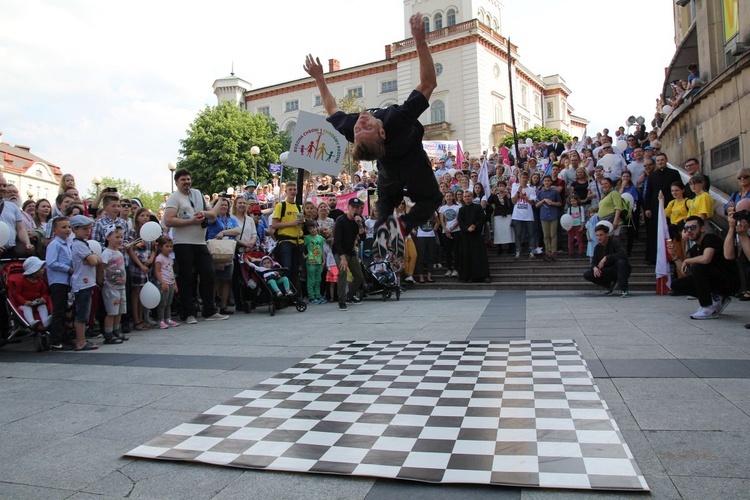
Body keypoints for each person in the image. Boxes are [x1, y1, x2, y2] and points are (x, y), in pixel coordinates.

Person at [305, 13, 442, 258]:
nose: (361, 121)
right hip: (414, 165)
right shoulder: (396, 120)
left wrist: (319, 79)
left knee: (385, 204)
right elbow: (429, 83)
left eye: (358, 129)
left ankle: (382, 234)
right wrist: (420, 41)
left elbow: (331, 108)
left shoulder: (350, 127)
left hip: (389, 171)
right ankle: (401, 227)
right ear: (382, 131)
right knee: (432, 199)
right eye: (364, 127)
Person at [163, 168, 228, 324]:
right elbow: (168, 220)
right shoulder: (174, 198)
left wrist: (203, 214)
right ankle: (188, 313)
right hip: (183, 243)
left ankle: (209, 310)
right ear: (177, 182)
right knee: (187, 278)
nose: (187, 182)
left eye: (188, 179)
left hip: (200, 242)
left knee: (208, 274)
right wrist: (190, 221)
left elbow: (212, 215)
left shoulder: (198, 194)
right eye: (183, 180)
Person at [670, 216, 738, 319]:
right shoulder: (694, 249)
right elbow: (687, 273)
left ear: (702, 229)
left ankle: (707, 307)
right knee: (676, 284)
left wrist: (687, 260)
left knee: (699, 266)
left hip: (729, 281)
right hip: (713, 281)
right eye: (686, 228)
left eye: (693, 228)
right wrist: (675, 257)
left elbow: (706, 258)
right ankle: (717, 297)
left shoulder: (710, 238)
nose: (689, 231)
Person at [70, 215, 100, 351]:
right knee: (82, 314)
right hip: (82, 283)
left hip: (87, 282)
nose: (88, 231)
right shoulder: (78, 245)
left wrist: (92, 259)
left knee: (85, 313)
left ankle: (81, 339)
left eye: (89, 228)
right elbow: (94, 260)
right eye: (84, 229)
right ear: (75, 229)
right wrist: (92, 259)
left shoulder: (83, 244)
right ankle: (80, 341)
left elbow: (95, 259)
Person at [332, 197, 366, 311]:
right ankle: (341, 300)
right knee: (342, 272)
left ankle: (350, 296)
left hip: (350, 251)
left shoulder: (359, 220)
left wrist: (360, 224)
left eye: (357, 207)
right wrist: (342, 258)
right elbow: (336, 241)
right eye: (353, 207)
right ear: (348, 207)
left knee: (359, 276)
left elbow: (363, 237)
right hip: (339, 251)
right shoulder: (341, 220)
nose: (355, 209)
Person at [583, 222, 631, 297]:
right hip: (607, 270)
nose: (599, 238)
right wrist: (594, 268)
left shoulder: (614, 242)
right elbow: (594, 262)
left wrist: (607, 257)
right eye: (597, 235)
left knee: (621, 262)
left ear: (607, 234)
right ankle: (609, 285)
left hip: (618, 269)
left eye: (601, 235)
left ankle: (624, 289)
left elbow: (623, 253)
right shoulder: (597, 247)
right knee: (587, 274)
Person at [98, 225, 128, 344]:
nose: (120, 239)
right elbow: (101, 267)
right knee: (112, 312)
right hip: (111, 287)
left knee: (120, 311)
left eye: (121, 237)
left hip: (121, 286)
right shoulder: (107, 253)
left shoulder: (118, 252)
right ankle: (108, 333)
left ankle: (116, 330)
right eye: (117, 237)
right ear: (108, 237)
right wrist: (100, 281)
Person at [270, 183, 304, 290]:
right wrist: (291, 223)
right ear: (286, 191)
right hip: (285, 241)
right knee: (286, 267)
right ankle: (284, 291)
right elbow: (274, 224)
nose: (293, 191)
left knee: (295, 269)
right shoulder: (281, 206)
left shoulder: (299, 207)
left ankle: (292, 293)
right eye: (290, 189)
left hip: (297, 241)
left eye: (295, 189)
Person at [127, 208, 156, 331]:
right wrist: (140, 265)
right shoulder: (133, 231)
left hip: (147, 265)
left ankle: (142, 318)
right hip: (137, 266)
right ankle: (136, 320)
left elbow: (154, 248)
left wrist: (151, 259)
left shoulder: (150, 231)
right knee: (136, 293)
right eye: (142, 215)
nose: (145, 218)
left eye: (147, 216)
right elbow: (130, 250)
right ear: (137, 217)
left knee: (143, 293)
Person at [10, 256, 52, 330]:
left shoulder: (41, 282)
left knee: (43, 306)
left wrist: (43, 299)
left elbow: (44, 293)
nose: (43, 270)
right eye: (40, 269)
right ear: (34, 271)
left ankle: (45, 321)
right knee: (27, 309)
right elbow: (17, 294)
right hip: (24, 304)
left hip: (37, 302)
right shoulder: (22, 282)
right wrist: (24, 301)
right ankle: (32, 322)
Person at [457, 190, 490, 283]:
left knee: (479, 256)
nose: (467, 198)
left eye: (468, 196)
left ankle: (483, 276)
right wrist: (467, 228)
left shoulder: (478, 207)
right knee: (467, 256)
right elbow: (460, 222)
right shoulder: (461, 210)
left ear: (472, 197)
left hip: (476, 236)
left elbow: (482, 219)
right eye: (465, 196)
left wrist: (474, 226)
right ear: (463, 198)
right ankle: (468, 276)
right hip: (466, 236)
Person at [153, 235, 179, 329]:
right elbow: (157, 271)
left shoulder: (170, 259)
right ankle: (161, 320)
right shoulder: (159, 258)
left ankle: (168, 318)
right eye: (166, 246)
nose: (169, 248)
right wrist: (162, 283)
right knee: (162, 303)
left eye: (170, 246)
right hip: (163, 283)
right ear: (160, 247)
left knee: (169, 302)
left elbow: (171, 272)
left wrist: (175, 284)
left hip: (170, 282)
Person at [536, 175, 562, 262]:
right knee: (546, 235)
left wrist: (552, 203)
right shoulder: (540, 193)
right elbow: (536, 204)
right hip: (544, 216)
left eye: (548, 181)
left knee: (553, 234)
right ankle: (548, 251)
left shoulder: (555, 192)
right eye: (545, 181)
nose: (547, 182)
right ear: (543, 182)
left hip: (553, 215)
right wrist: (543, 200)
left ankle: (554, 252)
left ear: (551, 182)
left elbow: (560, 203)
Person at [511, 171, 536, 260]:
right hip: (517, 215)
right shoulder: (514, 188)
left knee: (531, 234)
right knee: (517, 234)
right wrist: (518, 192)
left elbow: (533, 203)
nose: (524, 180)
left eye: (526, 178)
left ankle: (531, 251)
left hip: (528, 215)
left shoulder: (531, 189)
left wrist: (526, 198)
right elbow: (513, 201)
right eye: (523, 178)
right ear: (520, 178)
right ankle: (518, 251)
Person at [302, 220, 326, 304]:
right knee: (311, 280)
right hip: (311, 261)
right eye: (310, 228)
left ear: (317, 227)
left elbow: (323, 250)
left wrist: (324, 260)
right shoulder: (307, 238)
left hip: (319, 262)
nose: (312, 230)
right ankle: (311, 297)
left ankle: (318, 295)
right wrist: (304, 255)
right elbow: (302, 247)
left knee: (318, 280)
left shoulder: (321, 238)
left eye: (314, 227)